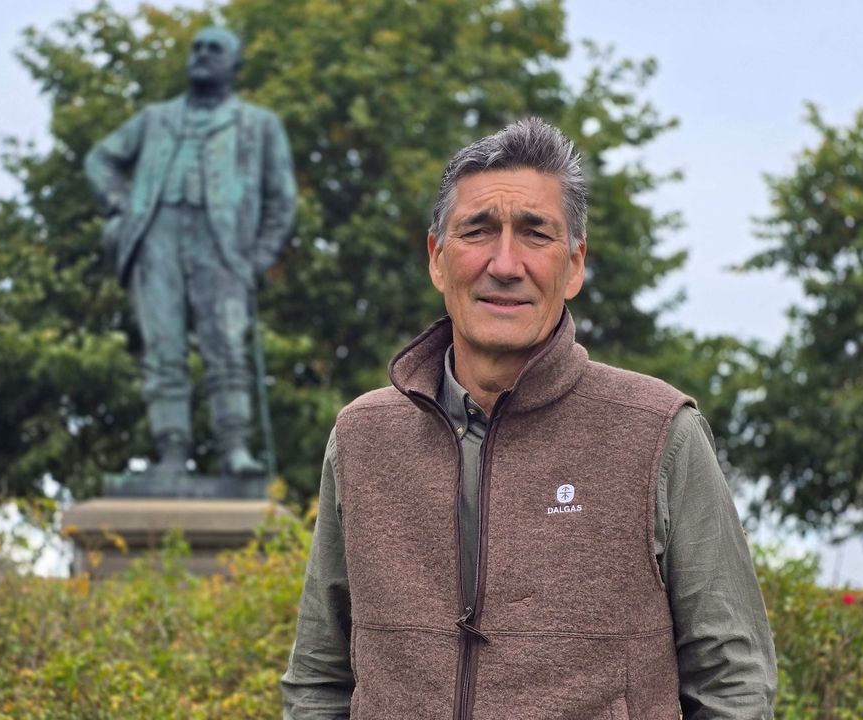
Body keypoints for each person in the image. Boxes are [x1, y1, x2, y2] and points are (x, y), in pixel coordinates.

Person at [281, 119, 776, 718]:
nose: (505, 263)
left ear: (574, 265)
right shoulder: (363, 439)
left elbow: (733, 683)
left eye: (535, 234)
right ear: (438, 258)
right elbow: (318, 679)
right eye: (478, 230)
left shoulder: (657, 433)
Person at [85, 27, 296, 478]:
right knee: (163, 349)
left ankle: (235, 448)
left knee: (226, 348)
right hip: (155, 235)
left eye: (213, 49)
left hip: (222, 245)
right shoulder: (156, 118)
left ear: (234, 64)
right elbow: (100, 159)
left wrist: (259, 258)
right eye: (196, 48)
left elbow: (282, 200)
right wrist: (123, 207)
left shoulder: (257, 125)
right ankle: (172, 453)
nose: (201, 55)